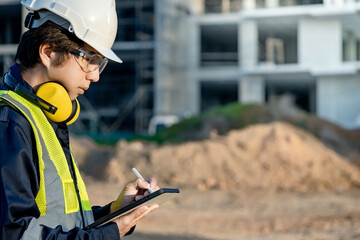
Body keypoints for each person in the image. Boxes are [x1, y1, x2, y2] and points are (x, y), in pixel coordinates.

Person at [0, 0, 159, 239]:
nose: (95, 75)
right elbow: (15, 234)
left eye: (99, 63)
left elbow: (60, 222)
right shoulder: (10, 124)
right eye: (89, 59)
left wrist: (115, 212)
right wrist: (107, 234)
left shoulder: (42, 116)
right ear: (48, 52)